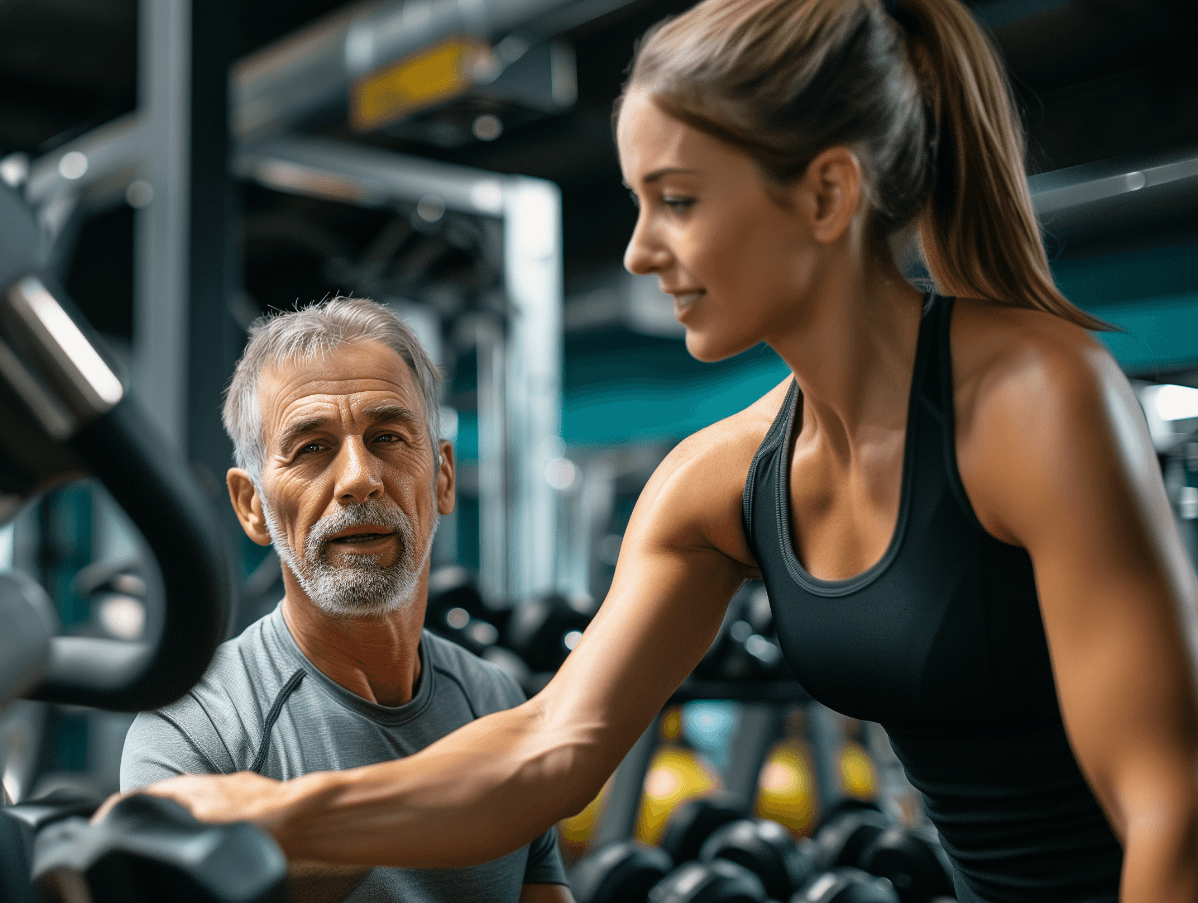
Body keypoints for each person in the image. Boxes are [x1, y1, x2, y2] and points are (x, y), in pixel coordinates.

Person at [126, 0, 1198, 900]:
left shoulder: (1030, 400)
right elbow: (548, 752)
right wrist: (275, 817)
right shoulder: (719, 479)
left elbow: (1173, 809)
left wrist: (284, 816)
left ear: (826, 195)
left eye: (677, 201)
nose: (640, 248)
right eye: (640, 203)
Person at [114, 297, 571, 903]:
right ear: (251, 505)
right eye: (311, 448)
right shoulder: (195, 729)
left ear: (442, 477)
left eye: (387, 437)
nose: (359, 477)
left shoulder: (493, 700)